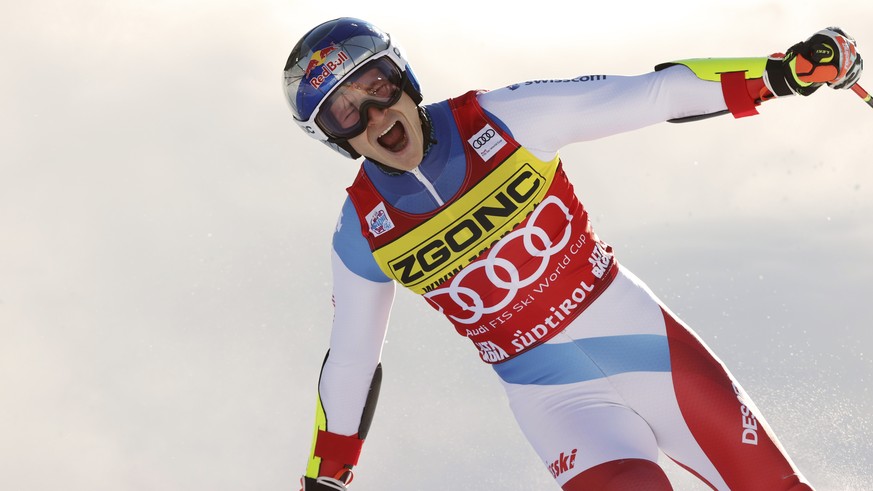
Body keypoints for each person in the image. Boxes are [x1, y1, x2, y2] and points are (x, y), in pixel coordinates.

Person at [283, 17, 863, 491]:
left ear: (403, 76)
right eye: (346, 110)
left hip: (650, 351)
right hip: (557, 402)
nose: (376, 115)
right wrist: (325, 477)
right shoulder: (362, 229)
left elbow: (655, 93)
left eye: (377, 87)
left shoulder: (503, 118)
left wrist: (783, 74)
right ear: (332, 137)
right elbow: (351, 360)